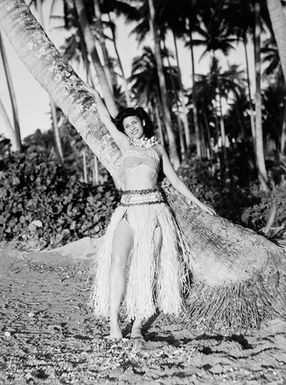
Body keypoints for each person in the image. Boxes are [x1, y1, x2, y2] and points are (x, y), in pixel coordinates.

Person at [90, 94, 215, 340]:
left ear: (143, 123)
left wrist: (199, 203)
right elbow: (105, 119)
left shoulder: (157, 149)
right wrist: (95, 95)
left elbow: (175, 180)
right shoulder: (125, 145)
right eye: (126, 126)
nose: (131, 128)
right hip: (127, 210)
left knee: (147, 268)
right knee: (117, 261)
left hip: (155, 211)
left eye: (134, 123)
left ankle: (137, 324)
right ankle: (114, 323)